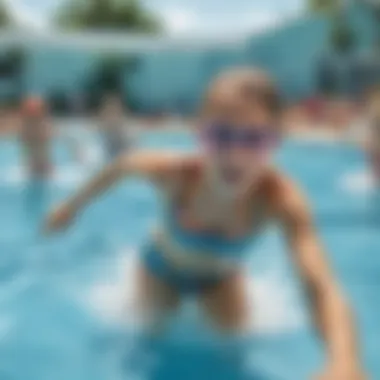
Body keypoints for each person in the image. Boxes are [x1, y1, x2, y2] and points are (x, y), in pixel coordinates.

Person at [45, 68, 364, 379]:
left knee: (233, 344)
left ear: (276, 140)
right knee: (150, 338)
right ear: (200, 133)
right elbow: (121, 167)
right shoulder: (177, 175)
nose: (234, 154)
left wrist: (345, 361)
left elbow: (318, 283)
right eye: (221, 136)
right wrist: (71, 207)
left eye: (253, 139)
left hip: (220, 277)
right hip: (162, 268)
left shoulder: (280, 198)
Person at [19, 96, 52, 179]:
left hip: (41, 160)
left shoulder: (41, 124)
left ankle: (40, 167)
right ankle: (37, 167)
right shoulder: (27, 124)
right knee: (34, 161)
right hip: (34, 157)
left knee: (41, 162)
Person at [98, 95, 134, 160]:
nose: (112, 119)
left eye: (115, 114)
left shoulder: (129, 138)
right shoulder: (96, 141)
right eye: (109, 114)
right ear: (102, 116)